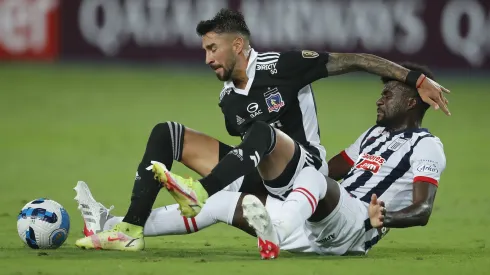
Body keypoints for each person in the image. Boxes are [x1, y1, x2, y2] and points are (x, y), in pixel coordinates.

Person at [74, 9, 450, 251]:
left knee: (263, 135)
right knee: (167, 133)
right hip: (274, 179)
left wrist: (413, 78)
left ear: (237, 45)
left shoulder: (283, 66)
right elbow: (251, 153)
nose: (207, 59)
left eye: (212, 48)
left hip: (305, 168)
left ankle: (199, 191)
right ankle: (128, 228)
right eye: (204, 51)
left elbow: (355, 61)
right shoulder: (228, 101)